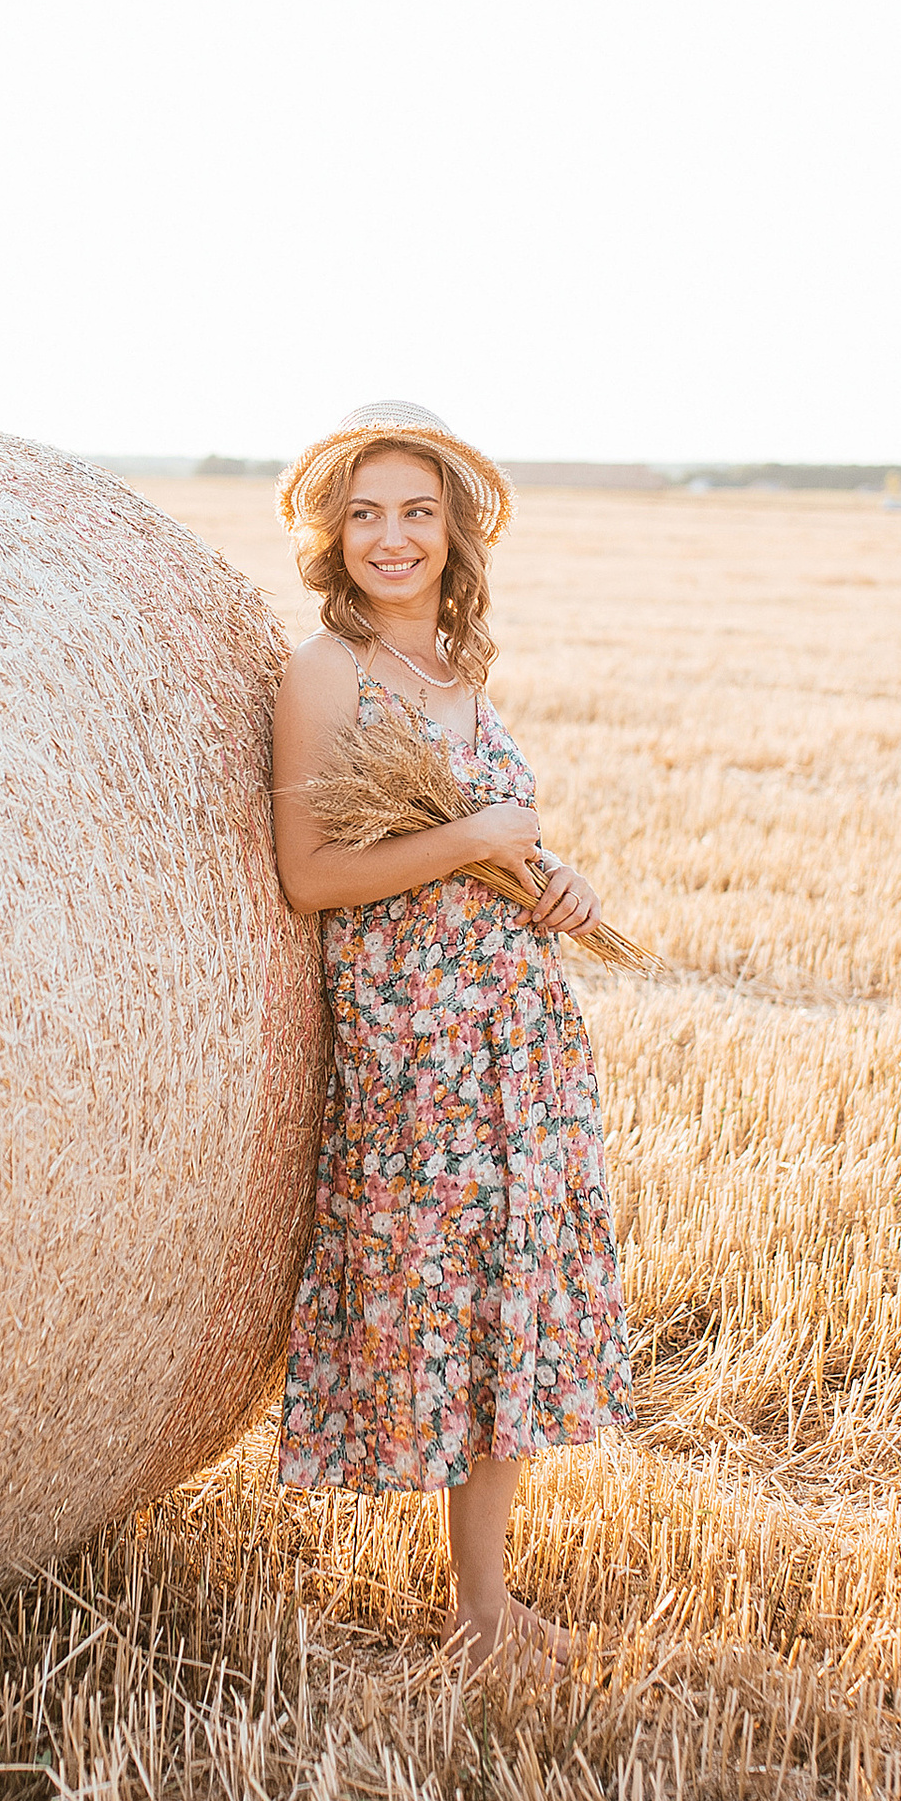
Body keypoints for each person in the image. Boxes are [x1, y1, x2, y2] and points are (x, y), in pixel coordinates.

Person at [271, 398, 635, 1667]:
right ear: (333, 532)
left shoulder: (453, 670)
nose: (390, 536)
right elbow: (312, 876)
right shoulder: (324, 672)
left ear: (452, 531)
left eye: (415, 512)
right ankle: (476, 1610)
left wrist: (552, 876)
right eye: (364, 513)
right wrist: (479, 840)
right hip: (415, 1031)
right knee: (446, 1293)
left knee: (508, 1298)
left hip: (512, 1024)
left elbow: (486, 838)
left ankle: (487, 1608)